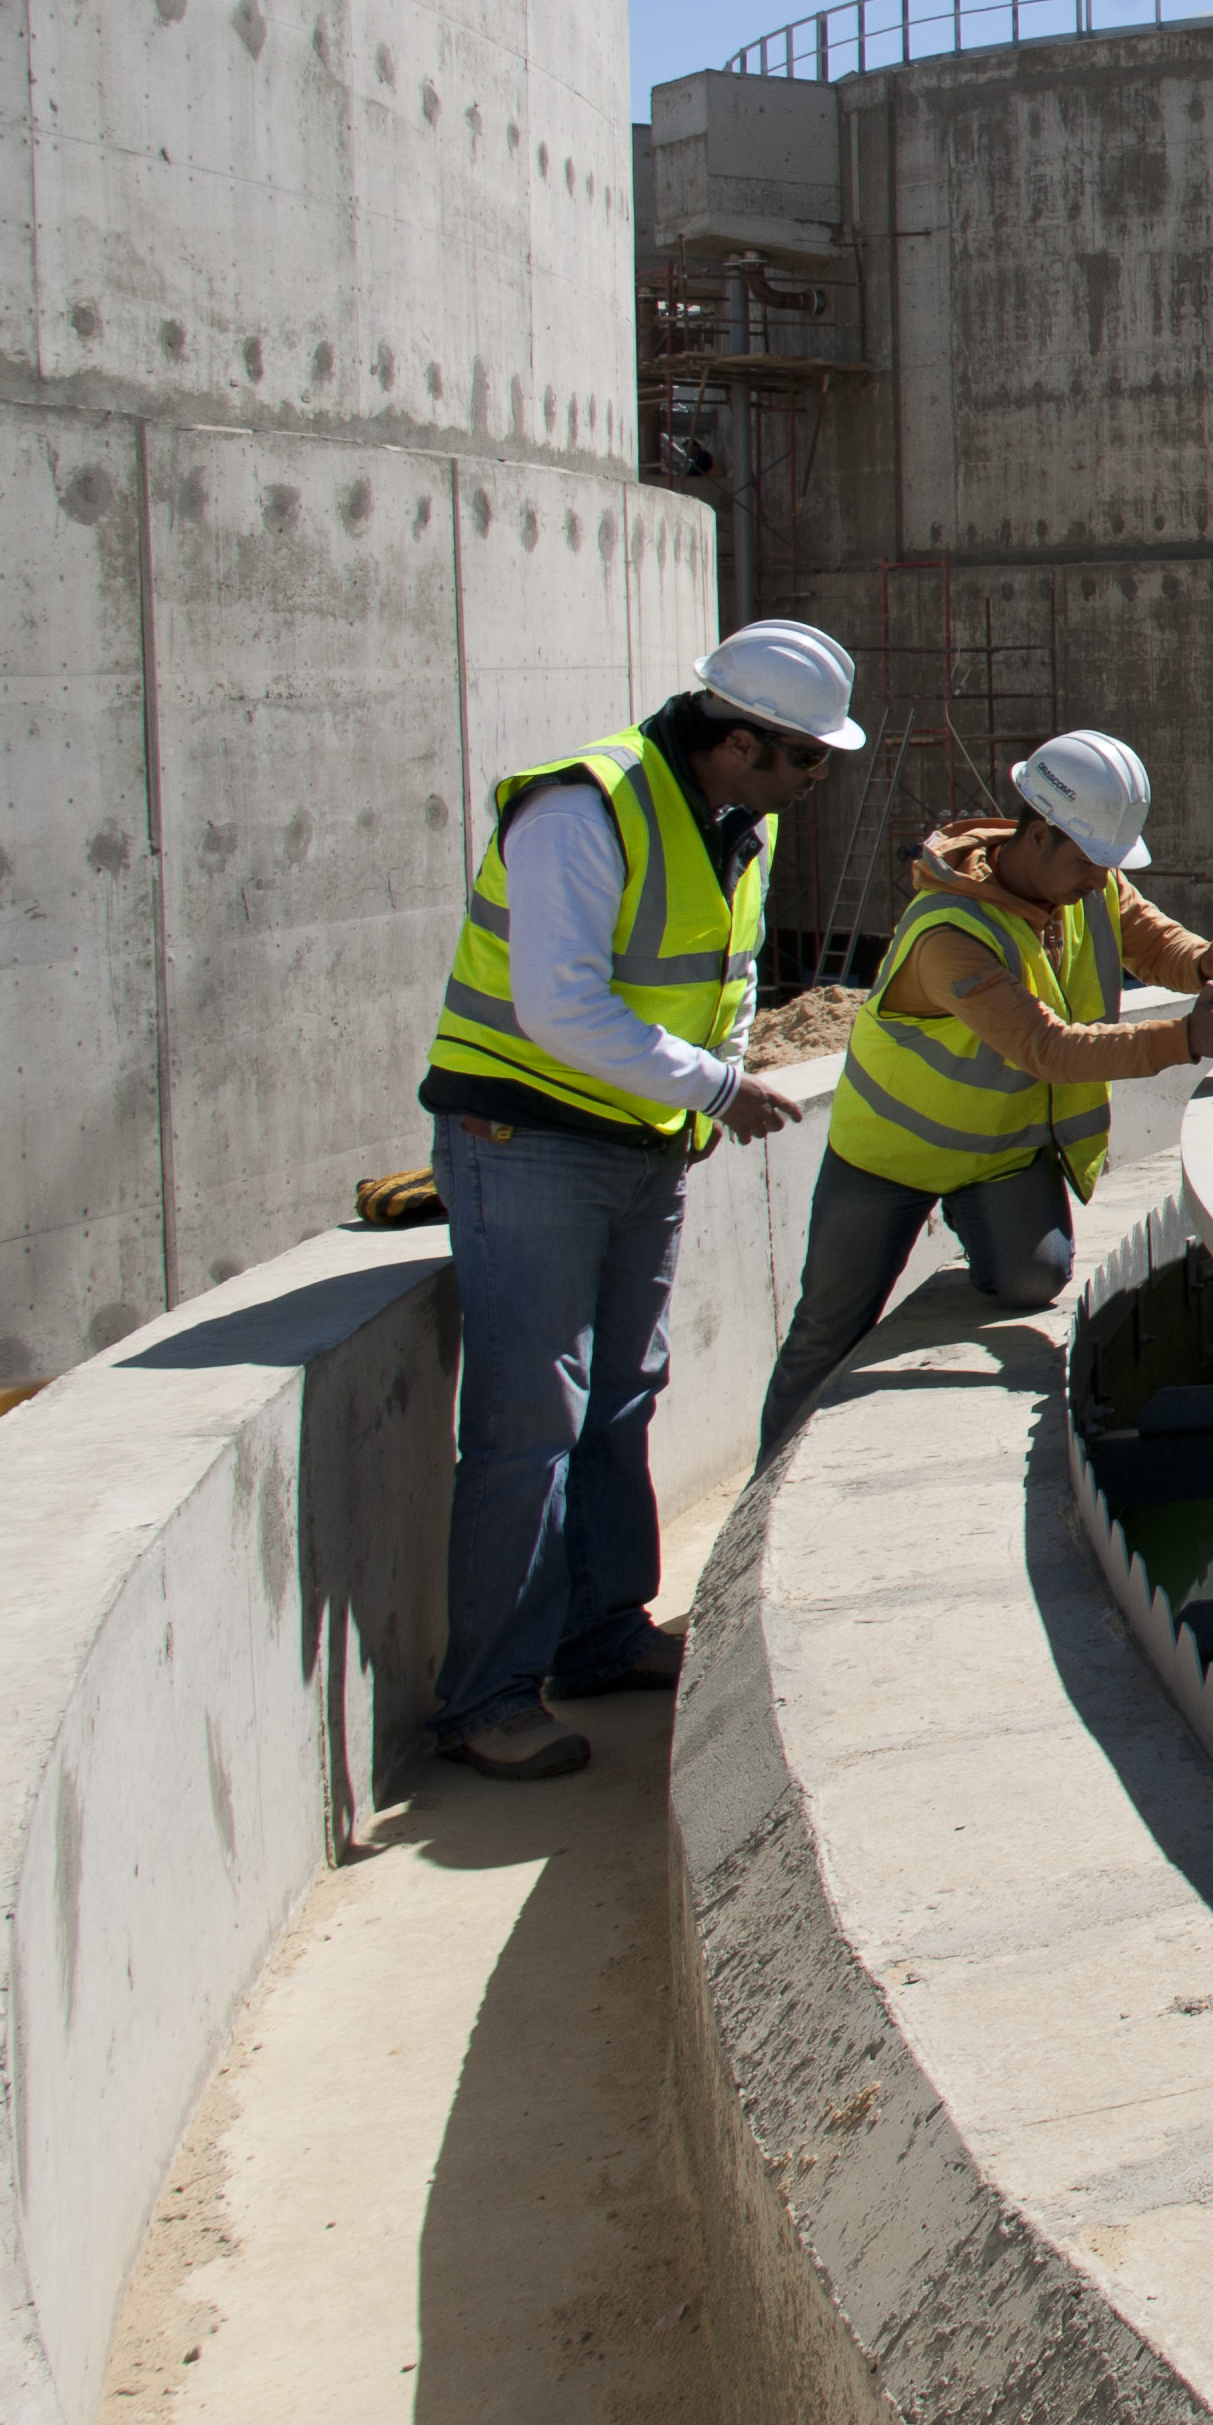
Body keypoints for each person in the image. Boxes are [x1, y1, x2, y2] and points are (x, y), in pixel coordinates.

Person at [414, 619, 863, 1783]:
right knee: (529, 1421)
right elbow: (561, 1007)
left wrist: (690, 1105)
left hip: (633, 1145)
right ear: (741, 741)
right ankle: (489, 1695)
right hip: (527, 1142)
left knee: (621, 1395)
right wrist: (715, 1086)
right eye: (806, 758)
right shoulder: (585, 809)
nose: (816, 781)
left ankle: (600, 1630)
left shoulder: (730, 829)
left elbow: (723, 976)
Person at [755, 727, 1213, 1445]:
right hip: (885, 1159)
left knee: (1035, 1280)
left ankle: (981, 1223)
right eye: (1089, 861)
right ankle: (766, 1478)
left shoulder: (1090, 880)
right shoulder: (948, 932)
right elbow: (1042, 1047)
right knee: (825, 1333)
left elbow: (1151, 941)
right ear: (1041, 834)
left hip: (996, 1154)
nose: (1100, 879)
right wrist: (1184, 1041)